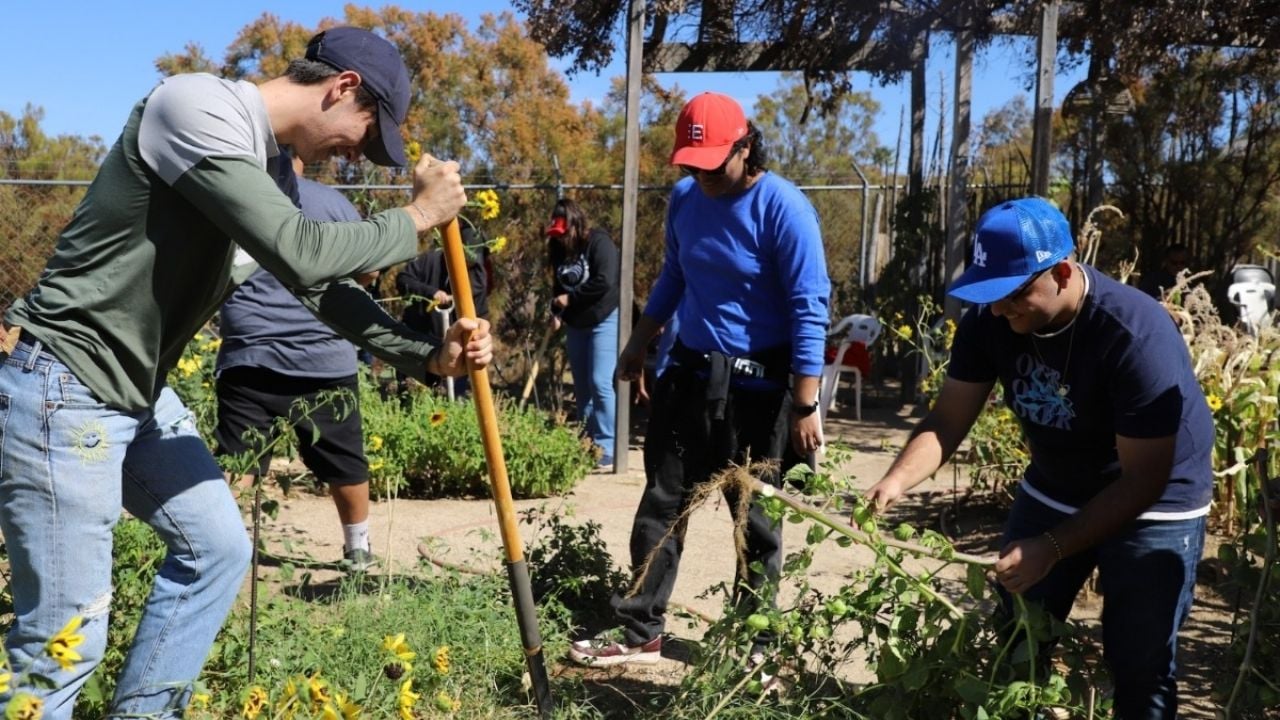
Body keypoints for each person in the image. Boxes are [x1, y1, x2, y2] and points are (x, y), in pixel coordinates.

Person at [0, 27, 492, 719]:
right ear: (343, 87)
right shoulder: (195, 107)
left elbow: (319, 287)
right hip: (68, 383)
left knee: (217, 552)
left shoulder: (268, 170)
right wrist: (418, 215)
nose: (356, 155)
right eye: (363, 134)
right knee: (62, 644)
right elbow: (303, 252)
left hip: (134, 394)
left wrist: (424, 355)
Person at [865, 198, 1212, 717]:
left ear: (1064, 271)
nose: (1001, 309)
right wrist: (895, 480)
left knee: (1139, 658)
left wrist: (1051, 546)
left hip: (1157, 496)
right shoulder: (991, 321)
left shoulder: (1133, 335)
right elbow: (948, 420)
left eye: (1014, 293)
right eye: (991, 296)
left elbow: (1143, 480)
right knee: (1017, 636)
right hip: (1058, 481)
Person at [569, 92, 830, 668]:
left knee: (755, 523)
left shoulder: (783, 208)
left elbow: (810, 308)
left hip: (760, 394)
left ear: (746, 146)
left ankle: (754, 645)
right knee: (661, 506)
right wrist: (638, 344)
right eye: (691, 163)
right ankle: (641, 631)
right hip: (688, 376)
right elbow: (675, 276)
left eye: (713, 162)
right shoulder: (686, 199)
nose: (700, 175)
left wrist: (807, 405)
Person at [214, 151, 378, 572]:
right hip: (323, 355)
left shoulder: (233, 200)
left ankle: (220, 551)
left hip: (249, 354)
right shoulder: (334, 204)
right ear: (302, 157)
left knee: (240, 459)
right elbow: (368, 272)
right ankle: (357, 548)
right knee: (345, 460)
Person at [546, 197, 620, 469]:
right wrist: (557, 312)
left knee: (600, 381)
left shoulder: (599, 243)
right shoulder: (557, 249)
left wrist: (571, 299)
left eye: (564, 233)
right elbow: (559, 287)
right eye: (556, 234)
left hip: (604, 318)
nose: (561, 239)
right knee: (582, 387)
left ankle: (607, 444)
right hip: (576, 323)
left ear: (576, 225)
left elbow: (605, 281)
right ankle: (588, 442)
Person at [396, 229, 490, 396]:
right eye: (465, 260)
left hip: (457, 347)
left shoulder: (478, 275)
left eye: (472, 262)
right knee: (412, 393)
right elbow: (403, 280)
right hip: (419, 336)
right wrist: (431, 292)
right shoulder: (430, 260)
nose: (468, 265)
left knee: (452, 396)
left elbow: (481, 312)